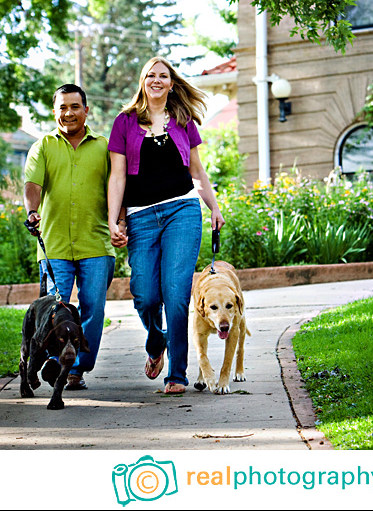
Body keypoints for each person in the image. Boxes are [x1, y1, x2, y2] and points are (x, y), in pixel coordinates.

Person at [107, 56, 225, 395]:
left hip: (182, 212)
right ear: (142, 81)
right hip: (141, 216)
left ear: (172, 83)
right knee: (144, 294)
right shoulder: (124, 122)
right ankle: (156, 339)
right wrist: (115, 219)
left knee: (176, 295)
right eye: (150, 75)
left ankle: (177, 372)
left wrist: (213, 207)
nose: (157, 80)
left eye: (163, 75)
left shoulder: (184, 120)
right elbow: (117, 175)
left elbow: (197, 172)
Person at [24, 84, 115, 390]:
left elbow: (117, 188)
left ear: (86, 110)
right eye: (62, 107)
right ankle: (50, 361)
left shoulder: (103, 147)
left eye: (74, 106)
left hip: (96, 243)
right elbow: (33, 184)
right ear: (55, 112)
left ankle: (76, 367)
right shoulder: (43, 146)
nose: (68, 113)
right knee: (53, 312)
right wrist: (32, 211)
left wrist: (122, 222)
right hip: (55, 245)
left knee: (93, 308)